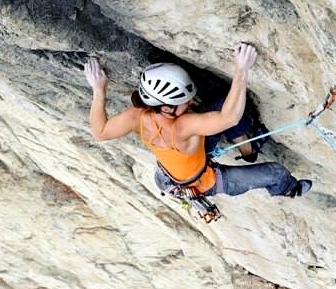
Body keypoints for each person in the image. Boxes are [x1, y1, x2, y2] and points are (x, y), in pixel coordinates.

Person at [84, 42, 311, 206]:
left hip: (173, 172)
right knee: (277, 172)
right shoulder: (183, 126)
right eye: (184, 102)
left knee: (223, 103)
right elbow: (229, 117)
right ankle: (288, 189)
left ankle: (248, 150)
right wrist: (242, 69)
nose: (191, 102)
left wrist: (99, 89)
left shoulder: (137, 116)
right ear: (166, 108)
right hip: (206, 181)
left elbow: (100, 132)